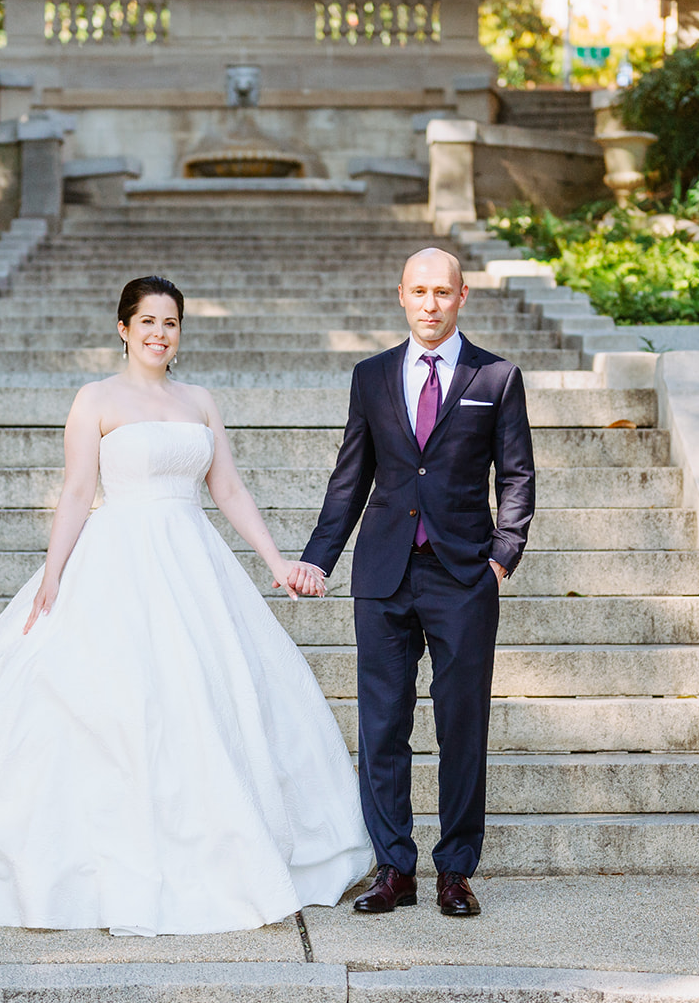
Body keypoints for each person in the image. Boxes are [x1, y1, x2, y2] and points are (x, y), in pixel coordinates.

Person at [0, 276, 374, 935]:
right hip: (117, 556)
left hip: (192, 560)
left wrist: (276, 563)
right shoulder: (95, 399)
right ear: (124, 328)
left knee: (204, 700)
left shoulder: (199, 401)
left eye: (171, 322)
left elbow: (230, 490)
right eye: (148, 321)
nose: (160, 333)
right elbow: (78, 491)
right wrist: (54, 575)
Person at [288, 248, 535, 918]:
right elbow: (351, 476)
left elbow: (516, 475)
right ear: (401, 295)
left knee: (462, 725)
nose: (431, 303)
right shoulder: (371, 377)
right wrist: (320, 558)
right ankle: (393, 868)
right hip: (384, 573)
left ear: (462, 298)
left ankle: (456, 870)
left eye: (443, 292)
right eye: (419, 291)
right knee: (383, 725)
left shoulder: (497, 376)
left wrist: (502, 556)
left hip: (463, 576)